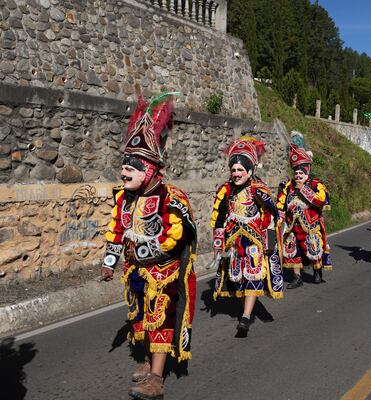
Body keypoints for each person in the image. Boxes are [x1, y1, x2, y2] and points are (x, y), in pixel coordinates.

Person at [101, 93, 198, 400]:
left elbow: (174, 237)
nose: (124, 170)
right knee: (139, 319)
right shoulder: (124, 198)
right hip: (135, 273)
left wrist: (143, 252)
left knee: (160, 319)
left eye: (132, 165)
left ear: (152, 170)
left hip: (162, 274)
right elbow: (117, 228)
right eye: (123, 163)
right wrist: (109, 260)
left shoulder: (172, 199)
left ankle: (157, 378)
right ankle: (146, 361)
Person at [211, 136, 284, 336]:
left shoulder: (257, 189)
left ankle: (245, 317)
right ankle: (246, 309)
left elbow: (270, 214)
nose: (236, 174)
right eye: (233, 170)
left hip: (254, 240)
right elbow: (218, 217)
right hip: (233, 242)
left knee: (253, 275)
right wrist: (218, 244)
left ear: (250, 171)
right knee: (236, 279)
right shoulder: (225, 191)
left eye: (240, 170)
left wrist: (267, 238)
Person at [277, 136, 331, 288]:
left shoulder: (316, 184)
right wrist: (279, 219)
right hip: (292, 226)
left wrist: (305, 190)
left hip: (311, 224)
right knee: (293, 251)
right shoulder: (288, 186)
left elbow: (323, 200)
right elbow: (280, 203)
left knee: (313, 249)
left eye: (301, 172)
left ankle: (317, 271)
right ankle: (296, 277)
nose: (298, 175)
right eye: (296, 172)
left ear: (307, 172)